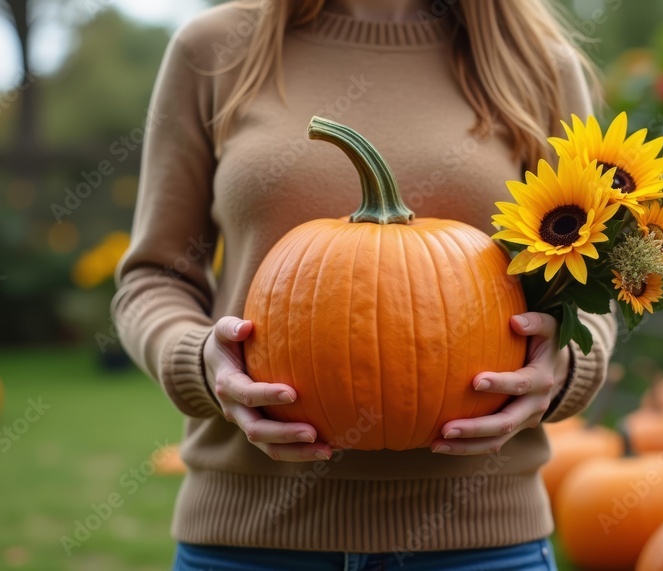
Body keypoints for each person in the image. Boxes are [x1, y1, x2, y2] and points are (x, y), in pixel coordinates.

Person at [112, 1, 616, 569]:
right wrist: (199, 360)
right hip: (249, 539)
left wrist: (564, 366)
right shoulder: (215, 48)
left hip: (480, 541)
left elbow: (594, 274)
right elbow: (154, 276)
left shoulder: (536, 61)